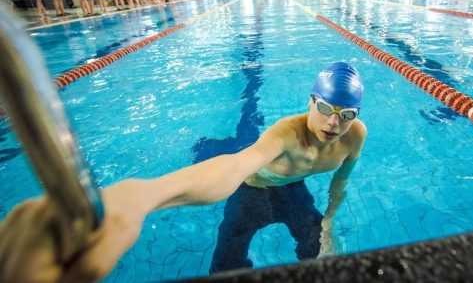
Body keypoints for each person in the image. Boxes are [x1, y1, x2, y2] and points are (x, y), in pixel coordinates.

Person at [0, 62, 366, 281]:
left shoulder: (354, 137)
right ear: (310, 101)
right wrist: (142, 196)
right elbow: (236, 165)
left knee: (323, 252)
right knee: (226, 265)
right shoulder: (285, 134)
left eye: (346, 114)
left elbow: (341, 181)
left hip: (293, 190)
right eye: (325, 108)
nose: (333, 123)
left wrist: (330, 221)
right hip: (251, 189)